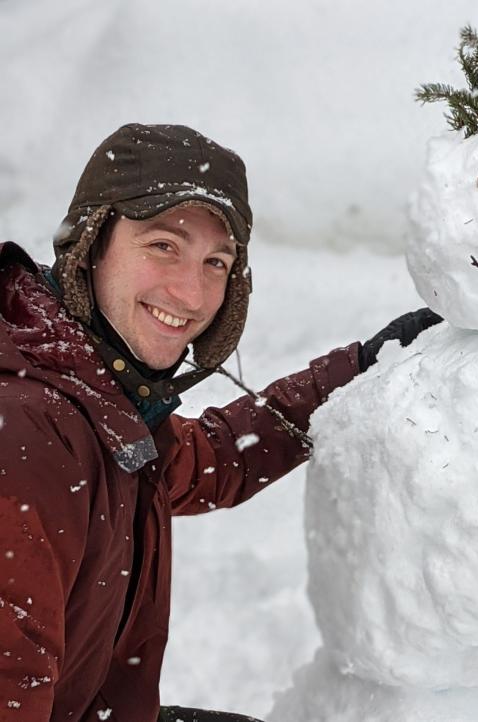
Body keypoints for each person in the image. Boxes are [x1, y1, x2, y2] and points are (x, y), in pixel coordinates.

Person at [0, 124, 440, 722]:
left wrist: (359, 370)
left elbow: (202, 461)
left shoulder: (92, 388)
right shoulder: (27, 435)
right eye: (163, 245)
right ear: (91, 242)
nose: (190, 291)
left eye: (216, 261)